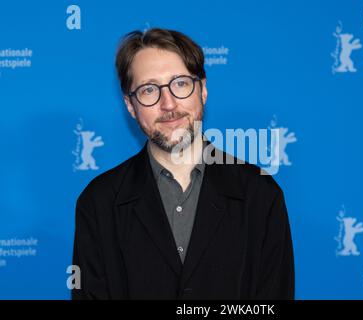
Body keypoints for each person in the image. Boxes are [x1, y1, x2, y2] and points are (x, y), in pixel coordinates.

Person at [72, 28, 295, 299]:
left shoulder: (260, 194)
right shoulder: (98, 202)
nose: (168, 104)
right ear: (131, 106)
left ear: (202, 90)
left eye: (180, 83)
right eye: (149, 89)